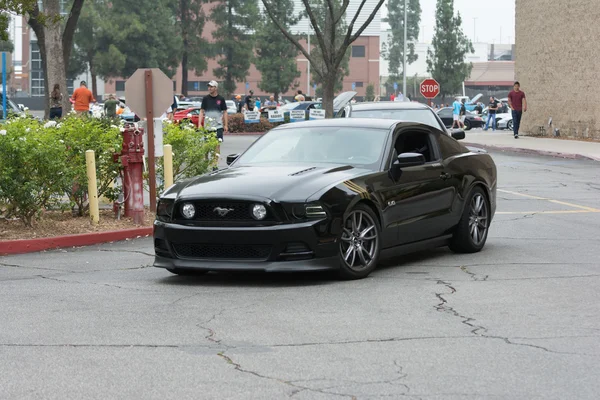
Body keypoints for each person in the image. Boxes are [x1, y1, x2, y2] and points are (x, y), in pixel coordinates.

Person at [200, 80, 228, 170]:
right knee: (207, 145)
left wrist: (226, 125)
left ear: (216, 88)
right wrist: (200, 124)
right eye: (209, 86)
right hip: (208, 126)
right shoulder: (205, 99)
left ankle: (215, 164)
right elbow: (201, 111)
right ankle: (205, 161)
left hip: (218, 126)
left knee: (217, 145)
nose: (209, 88)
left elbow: (225, 112)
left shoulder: (221, 99)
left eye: (211, 87)